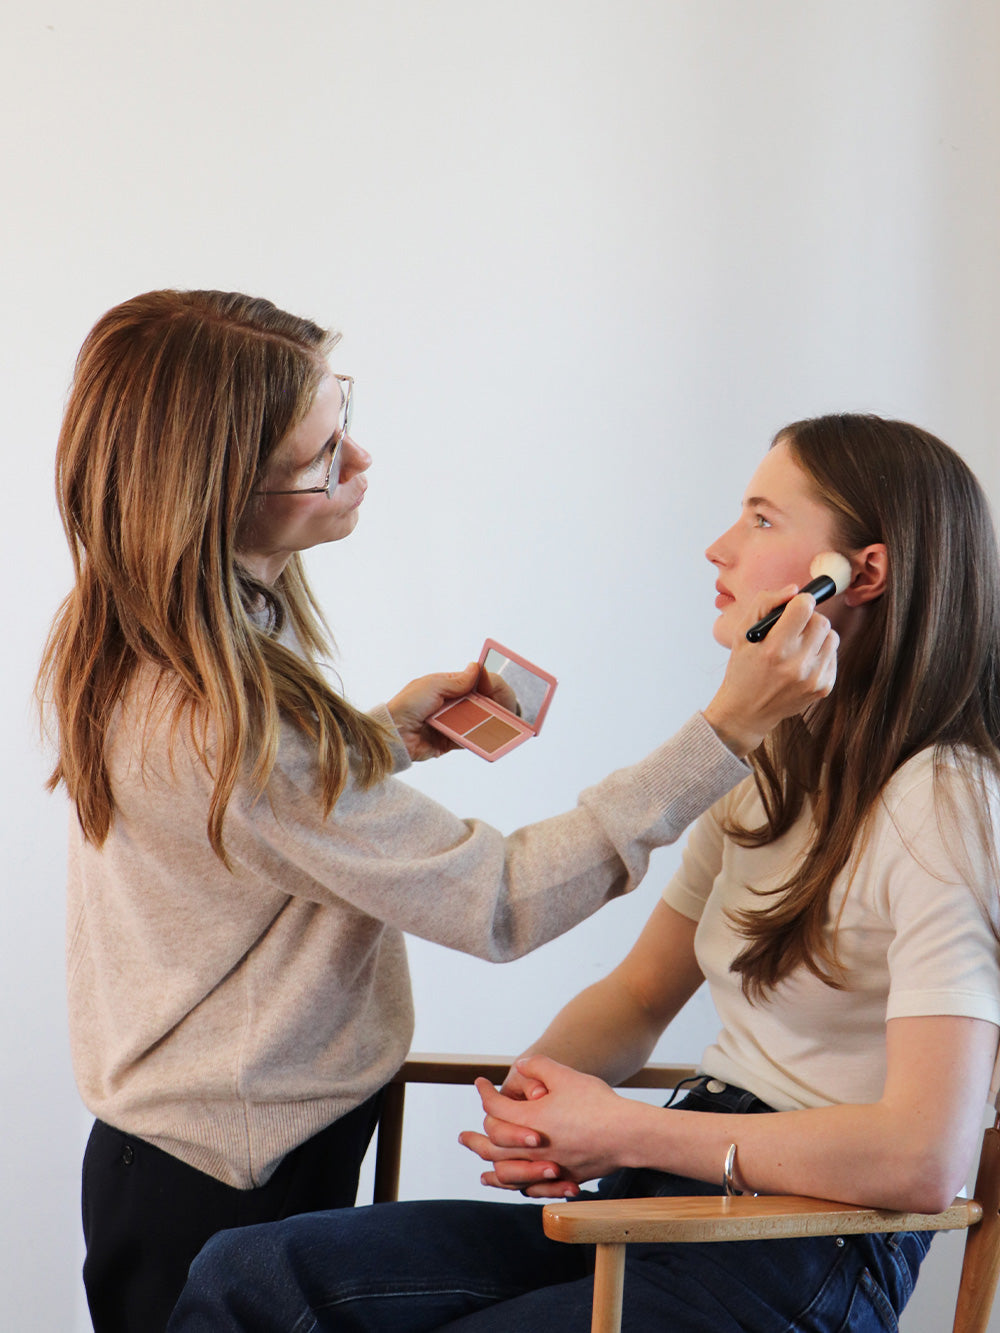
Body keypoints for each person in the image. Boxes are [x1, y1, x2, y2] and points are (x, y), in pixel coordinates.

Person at [37, 290, 836, 1333]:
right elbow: (498, 901)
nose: (360, 463)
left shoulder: (151, 640)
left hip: (212, 1140)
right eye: (324, 455)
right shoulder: (226, 722)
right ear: (219, 492)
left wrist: (375, 743)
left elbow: (247, 831)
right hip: (225, 1169)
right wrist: (723, 730)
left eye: (347, 420)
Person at [165, 413, 1000, 1333]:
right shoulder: (771, 760)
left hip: (806, 1248)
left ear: (860, 575)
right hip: (669, 1200)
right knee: (250, 1272)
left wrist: (627, 1130)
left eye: (763, 520)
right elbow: (641, 995)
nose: (719, 546)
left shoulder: (947, 805)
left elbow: (926, 1156)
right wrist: (538, 1097)